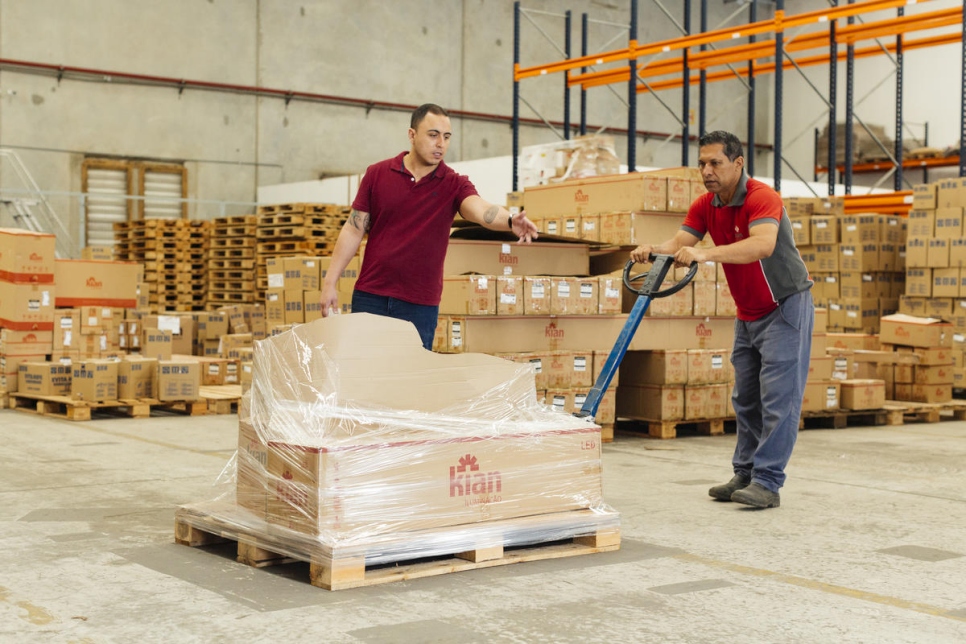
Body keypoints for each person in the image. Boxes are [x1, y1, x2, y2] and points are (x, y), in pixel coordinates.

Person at [631, 130, 813, 509]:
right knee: (746, 400)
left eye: (715, 162)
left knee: (779, 400)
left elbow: (762, 245)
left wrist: (706, 254)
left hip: (784, 307)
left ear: (738, 163)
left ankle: (767, 482)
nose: (707, 170)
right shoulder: (705, 205)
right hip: (747, 313)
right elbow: (681, 241)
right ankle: (745, 473)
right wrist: (653, 250)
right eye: (702, 163)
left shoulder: (763, 198)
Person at [320, 103, 539, 350]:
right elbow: (353, 229)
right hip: (371, 297)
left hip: (419, 305)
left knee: (413, 384)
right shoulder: (377, 174)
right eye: (433, 135)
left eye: (446, 137)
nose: (440, 144)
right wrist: (330, 282)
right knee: (365, 378)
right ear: (412, 135)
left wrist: (510, 220)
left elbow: (480, 210)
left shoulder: (453, 184)